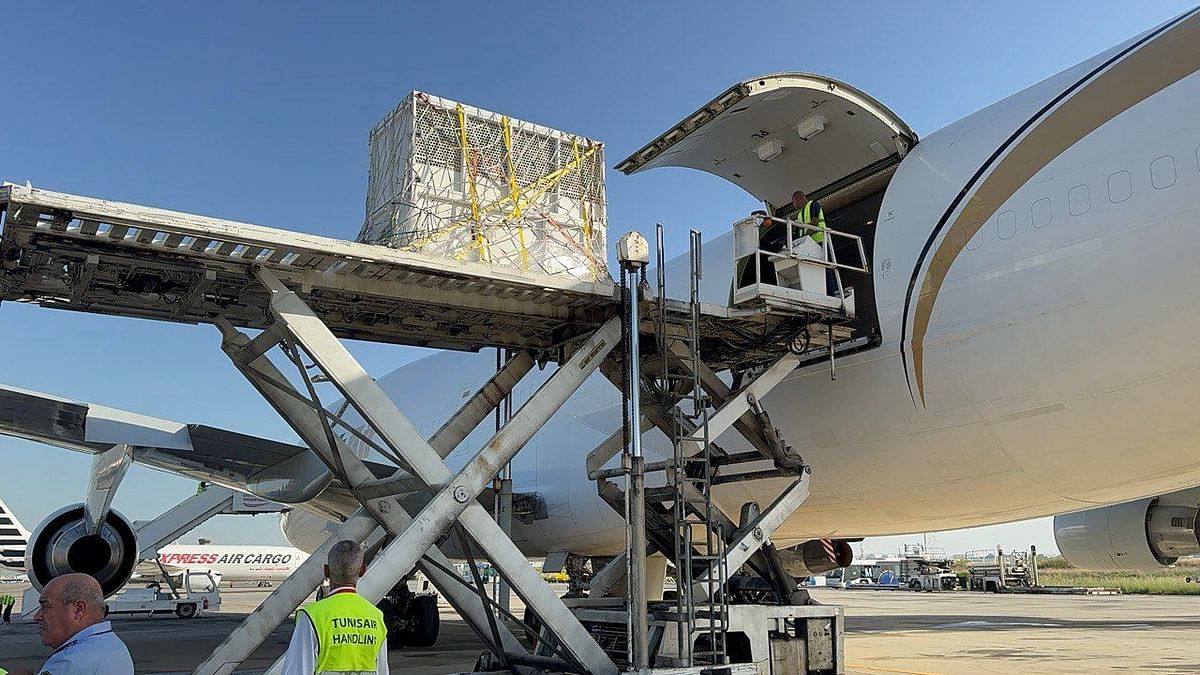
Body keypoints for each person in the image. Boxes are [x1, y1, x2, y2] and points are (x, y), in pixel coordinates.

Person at [281, 540, 388, 675]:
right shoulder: (376, 617)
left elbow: (297, 671)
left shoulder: (313, 616)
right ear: (362, 570)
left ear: (326, 571)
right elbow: (382, 671)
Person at [34, 573, 134, 675]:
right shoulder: (113, 645)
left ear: (79, 609)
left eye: (46, 606)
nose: (37, 617)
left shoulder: (69, 662)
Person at [790, 190, 837, 294]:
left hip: (820, 241)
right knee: (815, 268)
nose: (794, 205)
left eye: (794, 202)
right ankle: (821, 292)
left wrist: (804, 238)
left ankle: (830, 293)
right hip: (809, 245)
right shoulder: (799, 215)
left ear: (798, 199)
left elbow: (815, 222)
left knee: (825, 268)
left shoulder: (812, 205)